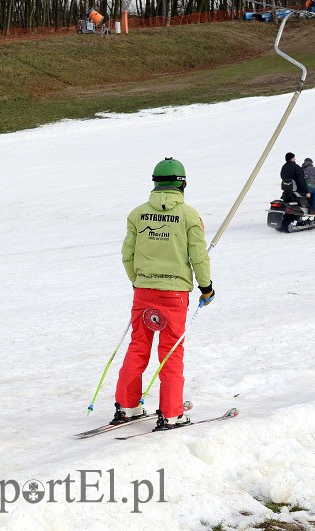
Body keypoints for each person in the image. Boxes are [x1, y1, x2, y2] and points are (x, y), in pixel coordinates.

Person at [114, 157, 215, 431]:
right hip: (174, 294)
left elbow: (127, 254)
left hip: (144, 291)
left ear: (155, 183)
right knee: (171, 352)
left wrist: (138, 281)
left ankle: (127, 405)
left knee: (138, 346)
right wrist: (206, 287)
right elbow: (198, 256)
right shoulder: (189, 216)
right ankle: (171, 412)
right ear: (182, 184)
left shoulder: (137, 214)